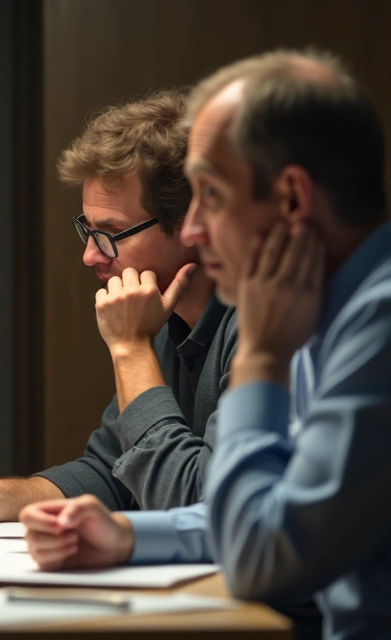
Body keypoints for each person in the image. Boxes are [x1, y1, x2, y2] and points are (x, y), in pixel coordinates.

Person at [21, 49, 390, 639]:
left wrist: (263, 361)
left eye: (211, 197)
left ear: (292, 198)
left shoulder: (373, 323)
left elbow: (263, 558)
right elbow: (269, 516)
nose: (194, 230)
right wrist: (132, 535)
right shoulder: (324, 314)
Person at [0, 88, 235, 525]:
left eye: (112, 232)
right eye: (88, 230)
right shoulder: (164, 321)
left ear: (194, 227)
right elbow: (109, 474)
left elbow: (192, 501)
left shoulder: (264, 329)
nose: (91, 256)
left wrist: (131, 349)